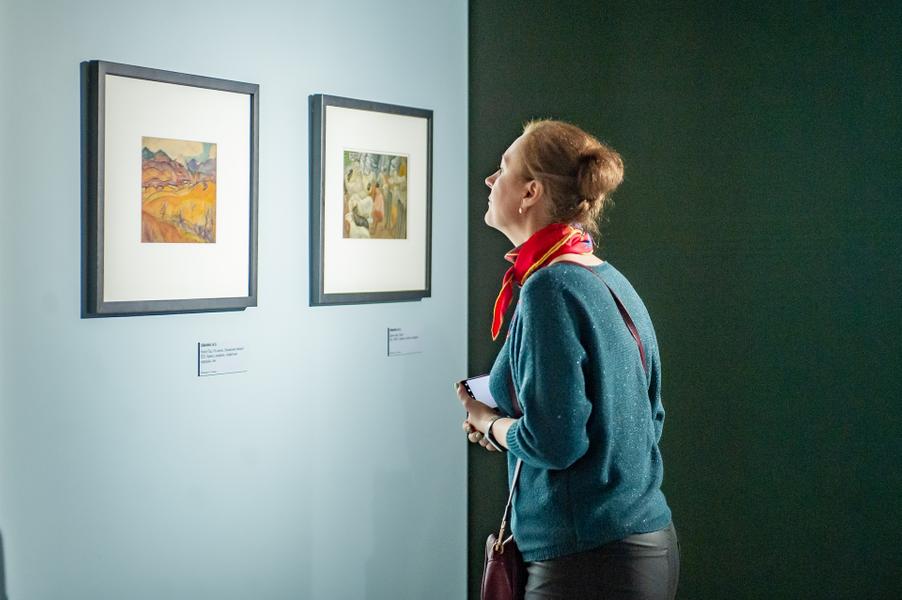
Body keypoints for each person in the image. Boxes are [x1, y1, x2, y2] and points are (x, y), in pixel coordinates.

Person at [457, 120, 679, 599]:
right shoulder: (608, 278)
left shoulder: (548, 288)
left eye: (503, 168)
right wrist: (516, 426)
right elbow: (648, 418)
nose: (490, 180)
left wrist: (491, 424)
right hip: (641, 544)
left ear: (530, 192)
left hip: (585, 561)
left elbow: (555, 443)